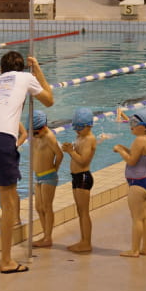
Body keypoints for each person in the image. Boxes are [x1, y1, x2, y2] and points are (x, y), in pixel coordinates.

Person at [0, 51, 53, 274]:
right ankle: (6, 261)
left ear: (0, 70)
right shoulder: (25, 77)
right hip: (1, 138)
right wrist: (38, 70)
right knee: (9, 203)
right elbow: (49, 99)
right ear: (22, 68)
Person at [113, 108, 146, 258]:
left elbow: (131, 160)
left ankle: (135, 250)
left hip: (137, 185)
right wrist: (123, 148)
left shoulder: (139, 140)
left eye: (134, 123)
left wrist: (119, 150)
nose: (131, 125)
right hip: (145, 181)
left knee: (137, 218)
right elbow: (134, 154)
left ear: (144, 127)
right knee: (145, 217)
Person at [61, 107, 97, 253]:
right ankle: (83, 240)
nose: (77, 131)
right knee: (80, 211)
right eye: (76, 128)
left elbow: (82, 161)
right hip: (76, 177)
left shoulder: (89, 139)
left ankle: (87, 243)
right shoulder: (81, 137)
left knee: (84, 212)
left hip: (83, 177)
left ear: (89, 125)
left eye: (80, 128)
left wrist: (71, 151)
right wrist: (70, 148)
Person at [30, 110, 63, 247]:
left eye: (36, 132)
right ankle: (45, 236)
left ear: (44, 127)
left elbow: (59, 155)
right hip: (37, 177)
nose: (34, 135)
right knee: (38, 207)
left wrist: (54, 170)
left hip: (48, 176)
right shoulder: (37, 136)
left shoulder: (50, 137)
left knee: (46, 206)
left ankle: (48, 238)